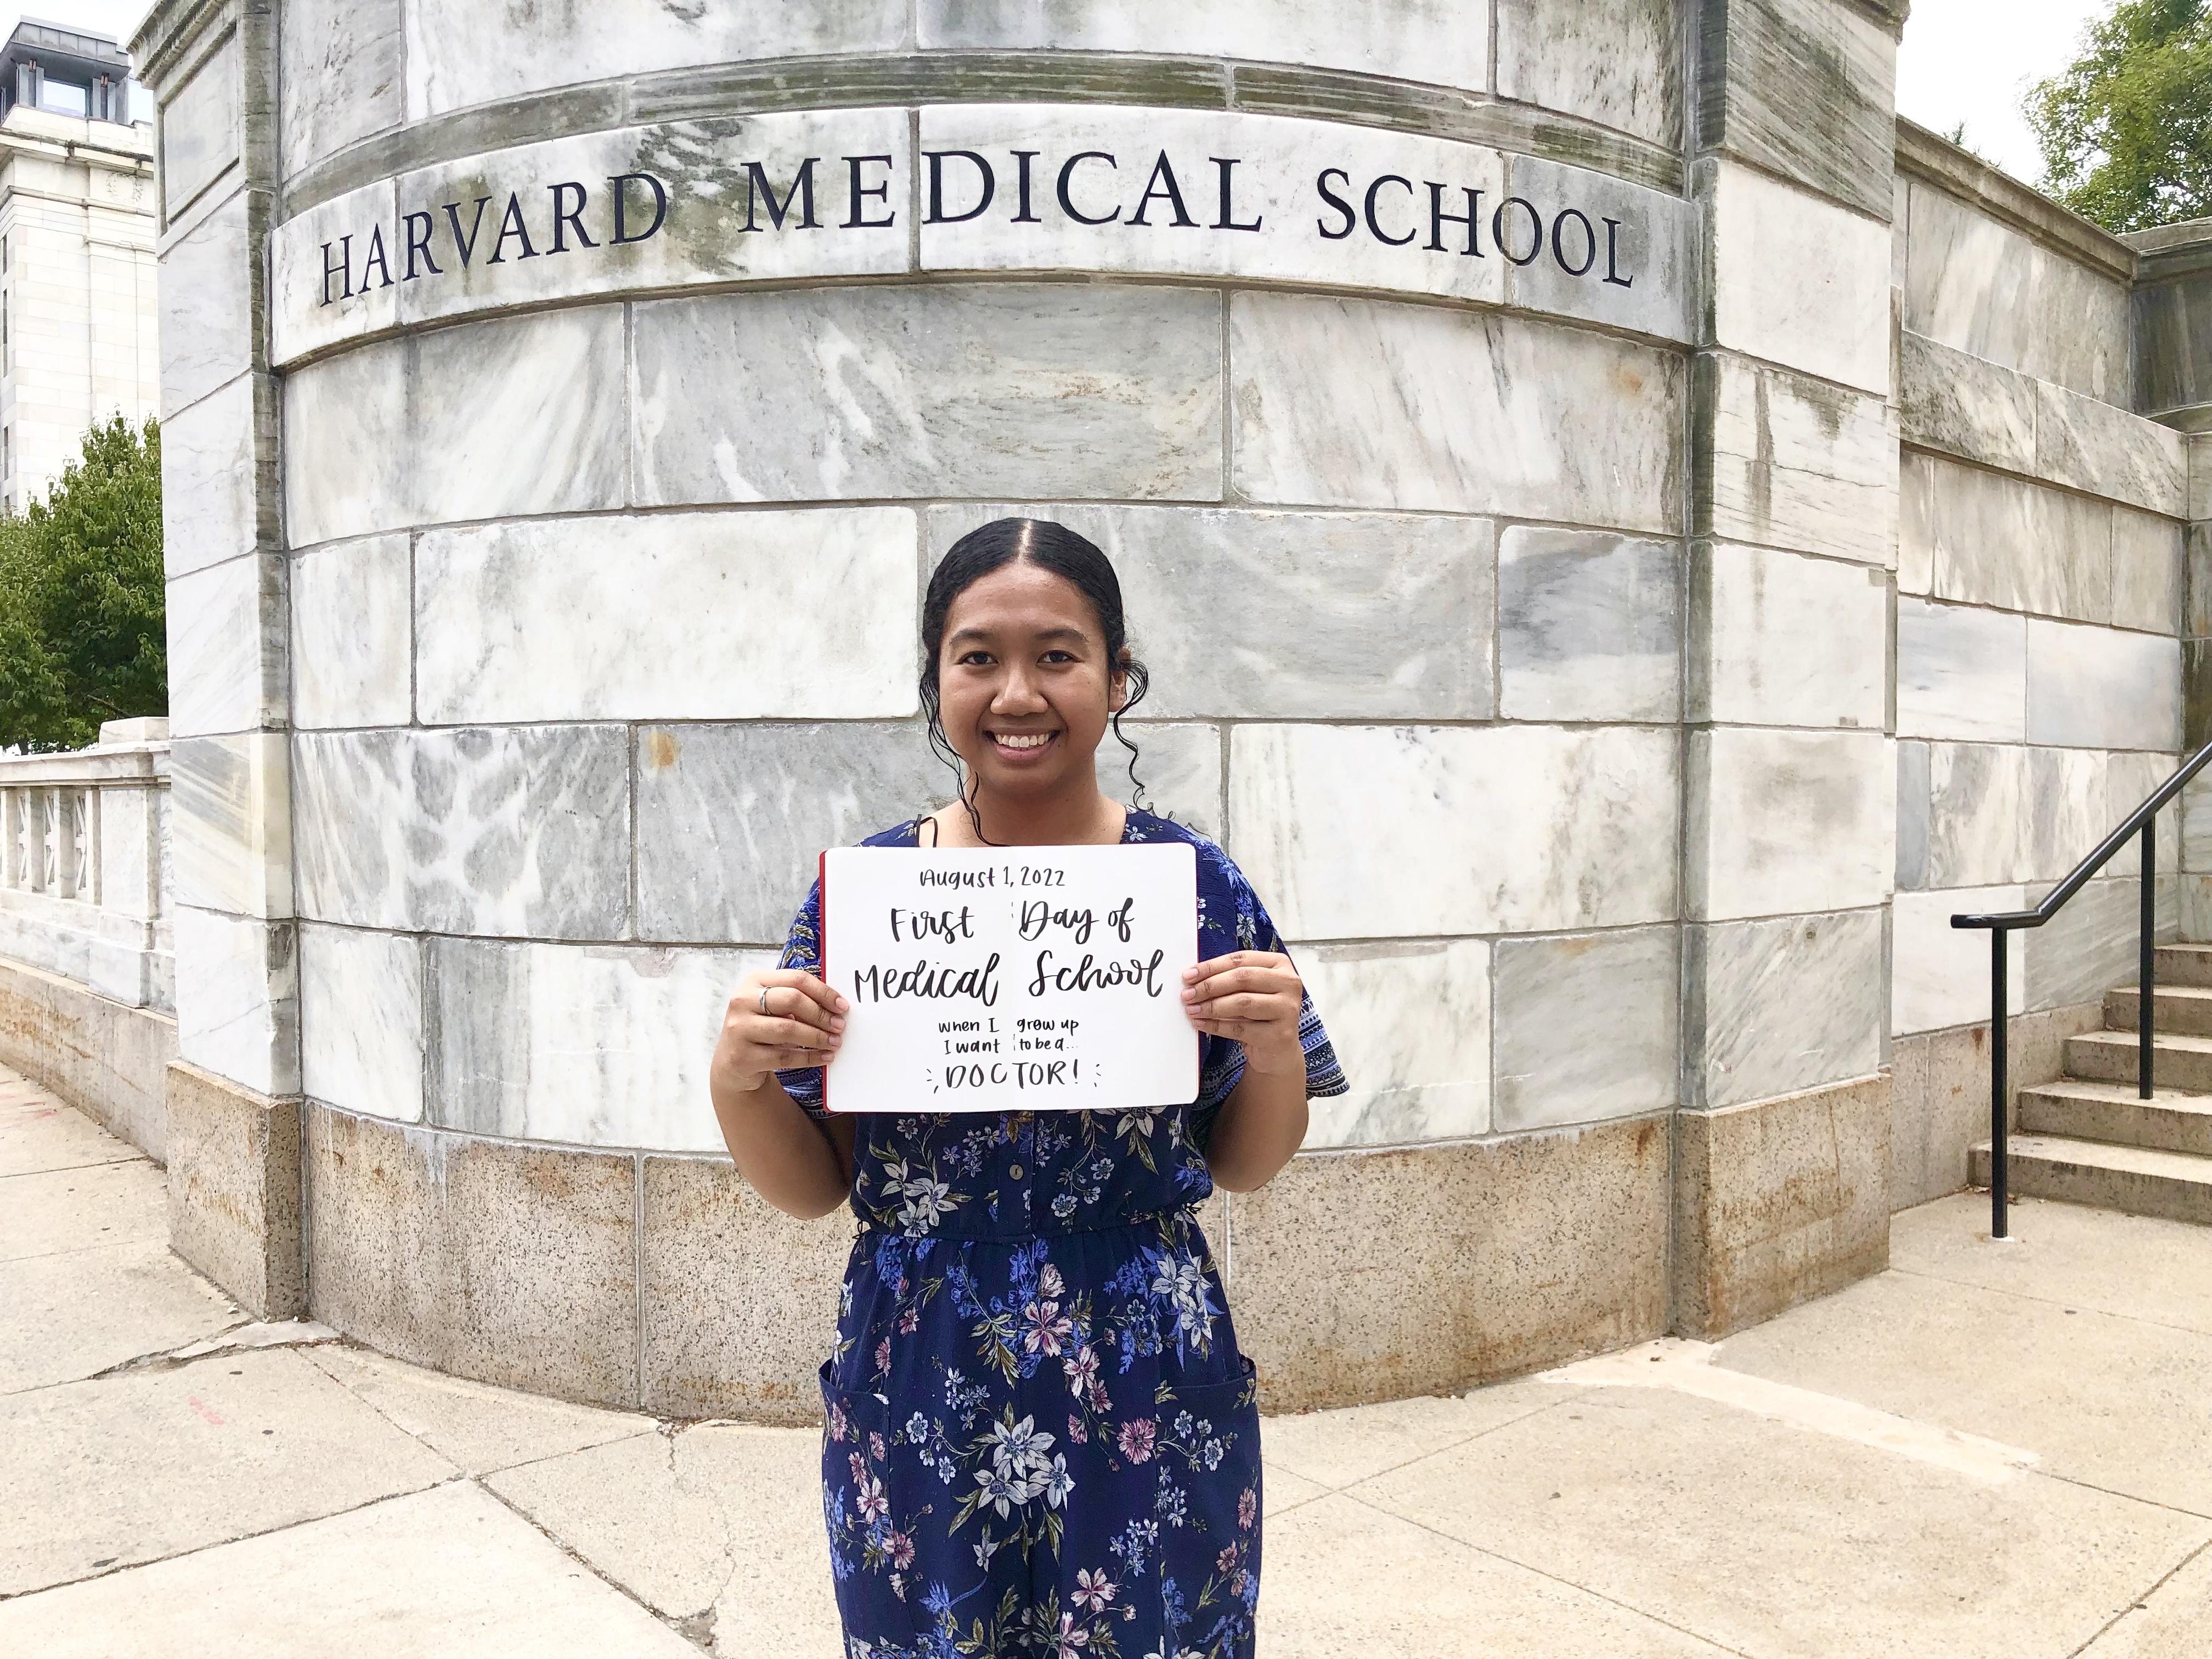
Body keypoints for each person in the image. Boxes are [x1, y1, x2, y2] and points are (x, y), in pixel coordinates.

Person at [708, 517, 1346, 1659]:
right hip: (925, 1358)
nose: (1018, 692)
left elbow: (1245, 1161)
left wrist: (1279, 1049)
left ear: (1117, 679)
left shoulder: (1191, 889)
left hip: (1147, 1349)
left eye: (1057, 655)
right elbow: (814, 1188)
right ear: (936, 680)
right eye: (978, 657)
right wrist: (741, 1082)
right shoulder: (868, 901)